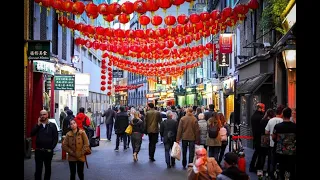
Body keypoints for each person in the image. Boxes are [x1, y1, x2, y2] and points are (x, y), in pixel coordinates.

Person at [31, 110, 58, 180]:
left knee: (48, 169)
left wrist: (52, 147)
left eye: (44, 114)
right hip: (38, 151)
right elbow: (32, 134)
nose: (42, 116)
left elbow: (55, 138)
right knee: (38, 169)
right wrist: (38, 124)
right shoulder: (38, 125)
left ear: (47, 115)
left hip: (48, 151)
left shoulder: (52, 125)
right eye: (41, 115)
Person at [272, 108, 296, 180]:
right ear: (290, 115)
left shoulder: (277, 126)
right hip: (291, 152)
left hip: (280, 152)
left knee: (281, 168)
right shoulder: (294, 126)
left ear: (283, 114)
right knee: (291, 169)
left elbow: (274, 137)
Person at [265, 105, 284, 175]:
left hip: (272, 143)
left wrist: (271, 134)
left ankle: (271, 173)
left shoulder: (271, 120)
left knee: (272, 160)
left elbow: (266, 132)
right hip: (282, 145)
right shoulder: (283, 121)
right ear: (282, 113)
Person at [249, 103, 265, 172]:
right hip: (260, 136)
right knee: (259, 153)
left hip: (255, 136)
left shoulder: (253, 116)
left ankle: (252, 167)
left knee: (257, 152)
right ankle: (256, 167)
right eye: (263, 108)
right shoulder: (260, 117)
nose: (264, 110)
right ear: (260, 108)